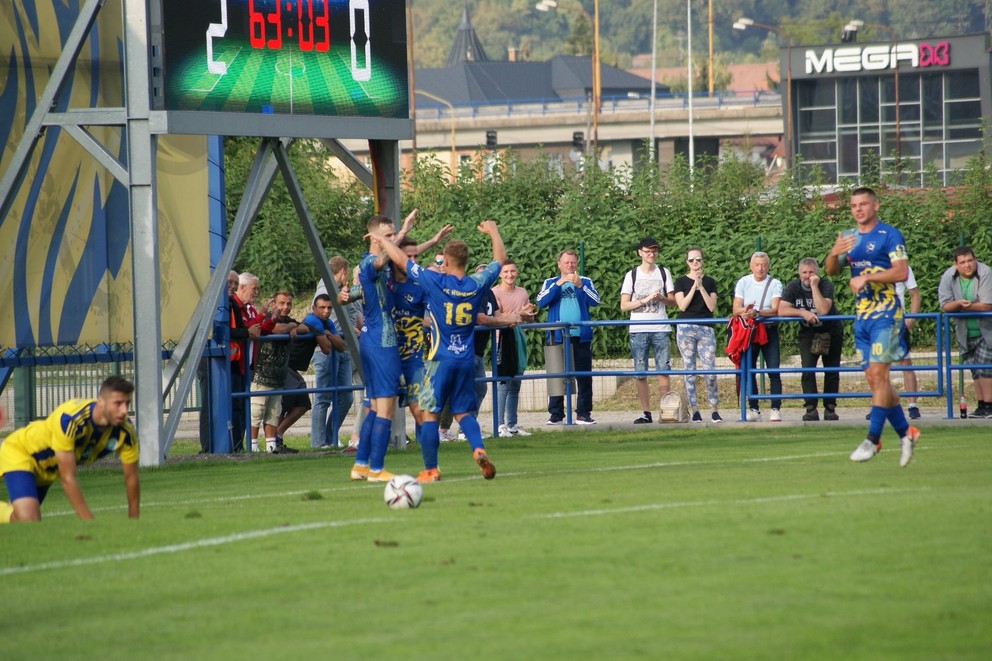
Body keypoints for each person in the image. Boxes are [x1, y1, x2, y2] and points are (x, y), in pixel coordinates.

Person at [372, 220, 507, 483]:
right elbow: (500, 259)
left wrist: (384, 240)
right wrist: (493, 230)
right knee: (463, 412)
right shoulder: (476, 283)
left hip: (438, 361)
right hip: (466, 359)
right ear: (466, 262)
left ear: (444, 261)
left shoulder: (434, 280)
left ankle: (431, 469)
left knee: (430, 414)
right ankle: (478, 449)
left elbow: (401, 260)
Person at [826, 186, 919, 466]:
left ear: (875, 206)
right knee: (875, 380)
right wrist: (833, 252)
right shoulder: (849, 238)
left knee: (879, 375)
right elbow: (831, 270)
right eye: (854, 205)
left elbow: (901, 271)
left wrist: (867, 278)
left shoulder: (889, 235)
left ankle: (873, 438)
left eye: (864, 204)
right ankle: (907, 431)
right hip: (863, 318)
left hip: (887, 315)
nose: (858, 209)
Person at [0, 376, 140, 523]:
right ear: (101, 401)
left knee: (21, 520)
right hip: (22, 451)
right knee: (29, 519)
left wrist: (134, 521)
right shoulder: (70, 419)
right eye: (118, 403)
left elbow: (131, 477)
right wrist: (89, 522)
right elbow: (68, 477)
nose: (124, 410)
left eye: (127, 403)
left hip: (48, 470)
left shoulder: (126, 433)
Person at [350, 215, 403, 482]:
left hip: (371, 341)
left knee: (372, 406)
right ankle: (376, 469)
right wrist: (389, 240)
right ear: (373, 238)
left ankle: (360, 465)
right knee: (386, 408)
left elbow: (360, 290)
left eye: (393, 235)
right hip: (383, 343)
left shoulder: (369, 265)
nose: (391, 240)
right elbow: (383, 259)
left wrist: (403, 231)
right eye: (387, 235)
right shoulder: (371, 262)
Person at [536, 249, 601, 425]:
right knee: (557, 376)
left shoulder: (585, 281)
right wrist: (559, 284)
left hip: (581, 336)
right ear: (559, 264)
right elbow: (541, 302)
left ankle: (583, 413)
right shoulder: (550, 282)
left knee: (584, 377)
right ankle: (556, 414)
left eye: (573, 262)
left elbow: (595, 301)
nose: (570, 266)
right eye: (566, 263)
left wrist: (580, 285)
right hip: (557, 337)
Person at [780, 257, 843, 421]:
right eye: (804, 273)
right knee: (808, 369)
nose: (808, 276)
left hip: (831, 329)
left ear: (817, 273)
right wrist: (802, 313)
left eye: (811, 272)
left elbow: (822, 310)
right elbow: (782, 309)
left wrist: (814, 286)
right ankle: (810, 408)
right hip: (808, 331)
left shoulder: (825, 285)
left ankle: (830, 408)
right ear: (799, 273)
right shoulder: (793, 286)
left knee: (831, 370)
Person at [619, 237, 675, 424]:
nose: (651, 254)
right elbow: (624, 305)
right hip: (639, 328)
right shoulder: (631, 275)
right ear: (640, 252)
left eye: (654, 251)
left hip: (660, 327)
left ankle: (666, 411)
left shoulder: (664, 272)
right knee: (640, 371)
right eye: (648, 251)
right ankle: (646, 412)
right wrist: (644, 300)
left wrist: (661, 299)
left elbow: (673, 301)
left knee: (663, 370)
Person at [285, 293, 345, 449]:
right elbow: (326, 349)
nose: (326, 311)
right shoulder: (313, 321)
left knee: (302, 404)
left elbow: (341, 346)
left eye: (329, 308)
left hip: (295, 367)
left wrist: (329, 334)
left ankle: (276, 436)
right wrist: (326, 336)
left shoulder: (327, 323)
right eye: (322, 308)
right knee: (286, 404)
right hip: (287, 365)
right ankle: (317, 442)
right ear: (313, 309)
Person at [938, 246, 992, 418]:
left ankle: (990, 406)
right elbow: (945, 305)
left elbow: (987, 305)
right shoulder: (948, 276)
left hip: (986, 330)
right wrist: (960, 304)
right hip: (964, 332)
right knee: (974, 370)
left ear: (975, 259)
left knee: (985, 369)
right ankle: (982, 405)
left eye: (970, 260)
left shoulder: (985, 273)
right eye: (962, 262)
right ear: (956, 264)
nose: (967, 265)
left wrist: (961, 307)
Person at [313, 256, 360, 448]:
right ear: (342, 271)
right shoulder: (325, 292)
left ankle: (330, 438)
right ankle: (318, 442)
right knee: (323, 396)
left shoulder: (340, 291)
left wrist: (353, 329)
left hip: (343, 348)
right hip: (327, 348)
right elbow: (324, 319)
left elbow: (349, 316)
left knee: (346, 397)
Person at [250, 291, 304, 453]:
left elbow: (305, 326)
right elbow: (276, 329)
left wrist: (295, 327)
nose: (285, 307)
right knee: (257, 410)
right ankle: (252, 446)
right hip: (261, 374)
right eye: (281, 303)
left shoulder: (289, 321)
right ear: (273, 304)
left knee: (274, 411)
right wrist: (291, 327)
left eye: (288, 304)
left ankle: (271, 446)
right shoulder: (266, 319)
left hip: (278, 376)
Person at [673, 247, 722, 423]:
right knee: (690, 370)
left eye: (698, 260)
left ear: (702, 261)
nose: (695, 263)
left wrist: (701, 287)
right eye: (692, 260)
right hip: (686, 327)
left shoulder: (710, 282)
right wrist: (694, 287)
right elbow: (682, 306)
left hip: (706, 328)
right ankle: (695, 410)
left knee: (710, 369)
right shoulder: (680, 282)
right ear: (687, 262)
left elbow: (711, 306)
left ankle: (714, 409)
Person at [733, 251, 783, 422]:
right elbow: (736, 308)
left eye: (763, 265)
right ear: (751, 266)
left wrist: (758, 312)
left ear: (768, 266)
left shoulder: (775, 283)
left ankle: (776, 408)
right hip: (750, 331)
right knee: (750, 370)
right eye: (757, 265)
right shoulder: (743, 282)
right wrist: (747, 312)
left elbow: (776, 309)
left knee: (773, 370)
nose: (760, 268)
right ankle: (753, 408)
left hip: (769, 329)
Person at [493, 260, 535, 436]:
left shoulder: (522, 292)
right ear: (500, 274)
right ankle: (499, 424)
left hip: (519, 339)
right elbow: (498, 316)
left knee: (516, 383)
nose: (509, 275)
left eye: (512, 271)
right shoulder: (494, 292)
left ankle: (512, 423)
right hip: (502, 340)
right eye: (506, 272)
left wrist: (528, 313)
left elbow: (529, 318)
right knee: (503, 383)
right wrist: (519, 314)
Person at [231, 272, 263, 451]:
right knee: (236, 405)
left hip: (245, 363)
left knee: (242, 406)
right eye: (254, 288)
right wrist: (263, 316)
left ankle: (239, 444)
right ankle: (236, 444)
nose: (256, 292)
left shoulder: (248, 306)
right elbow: (247, 328)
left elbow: (257, 328)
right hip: (236, 363)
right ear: (242, 288)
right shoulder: (235, 305)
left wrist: (269, 319)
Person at [896, 266, 923, 419]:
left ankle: (912, 404)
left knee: (906, 363)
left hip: (898, 322)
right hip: (878, 322)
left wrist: (911, 319)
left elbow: (915, 294)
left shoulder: (903, 267)